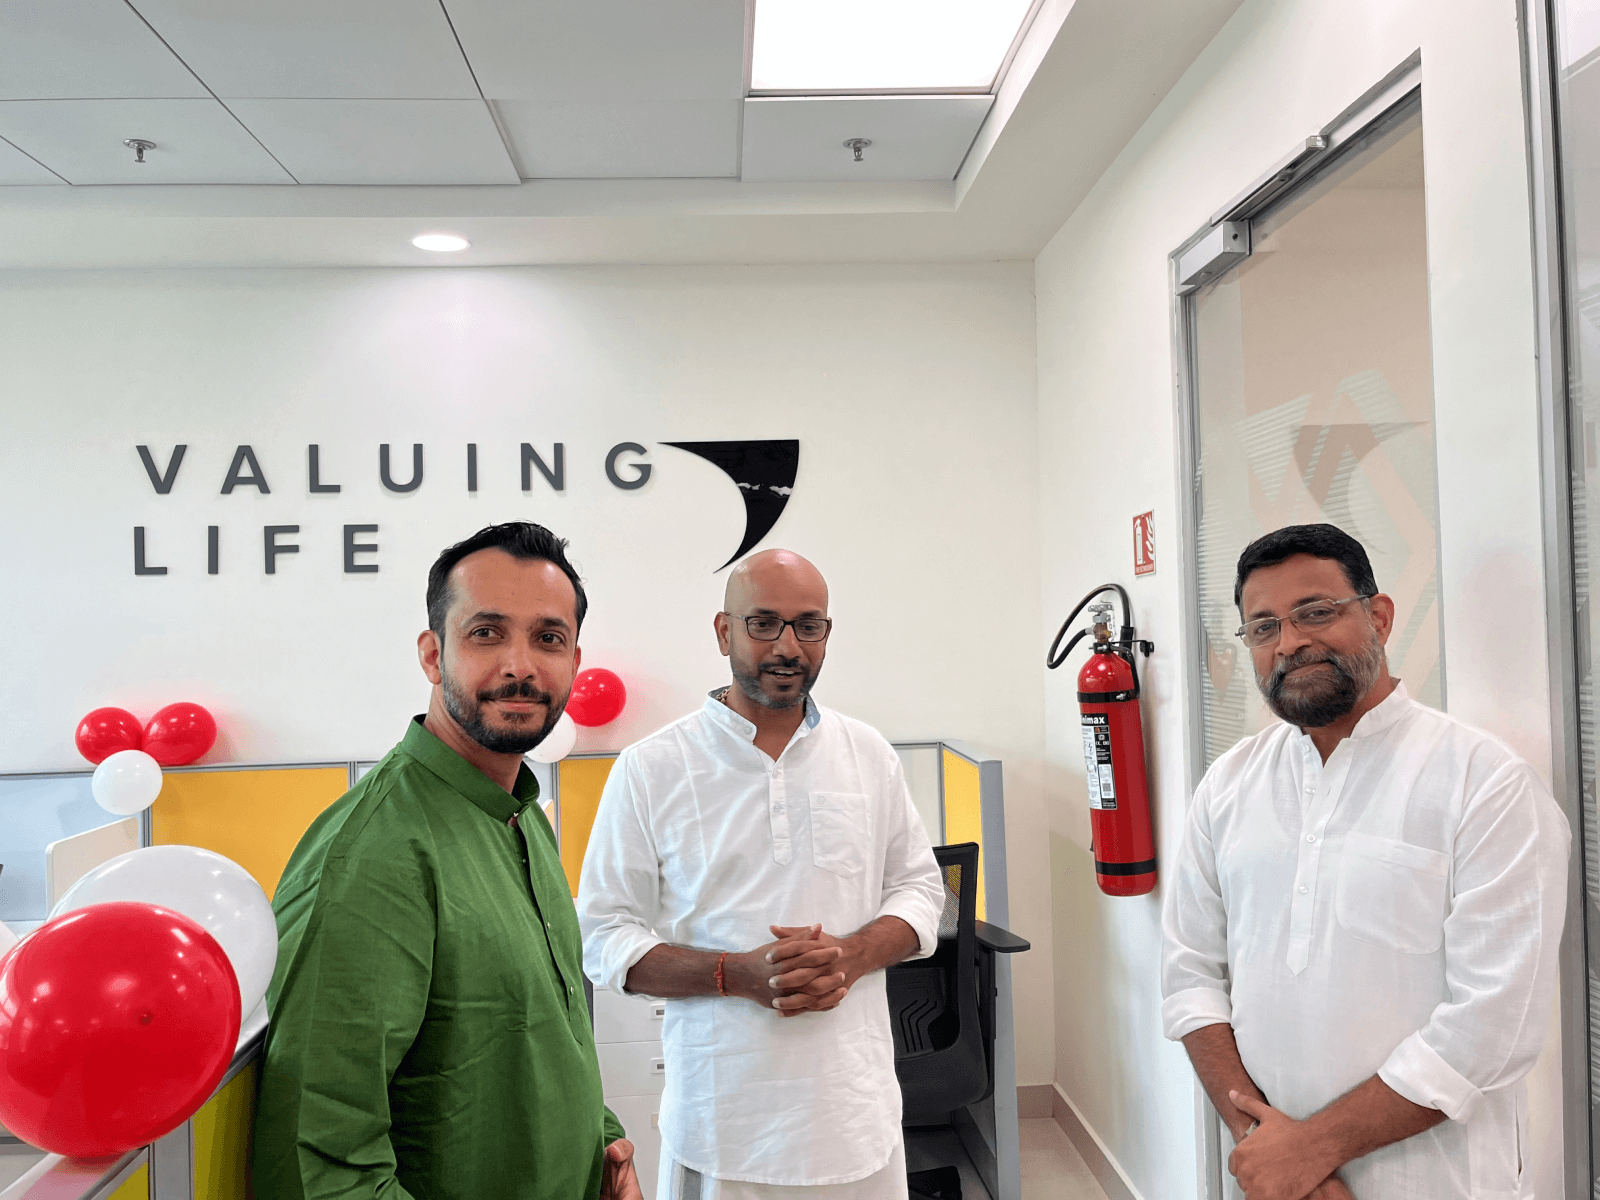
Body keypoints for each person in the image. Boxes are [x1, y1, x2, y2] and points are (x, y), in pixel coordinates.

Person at [1162, 523, 1570, 1199]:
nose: (1290, 642)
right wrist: (1266, 1149)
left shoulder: (1486, 784)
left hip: (1438, 1181)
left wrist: (1314, 1149)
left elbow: (1494, 1025)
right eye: (1263, 627)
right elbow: (1190, 976)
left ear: (1377, 615)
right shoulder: (1229, 786)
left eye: (1316, 612)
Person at [254, 522, 640, 1200]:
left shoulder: (521, 818)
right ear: (433, 655)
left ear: (575, 660)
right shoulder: (375, 851)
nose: (520, 664)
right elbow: (319, 1163)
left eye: (548, 638)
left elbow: (547, 1039)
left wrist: (604, 1149)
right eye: (486, 633)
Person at [577, 549, 944, 1200]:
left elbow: (920, 888)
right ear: (724, 632)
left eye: (809, 626)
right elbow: (604, 936)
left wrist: (852, 955)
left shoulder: (867, 754)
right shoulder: (652, 768)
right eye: (764, 623)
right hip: (723, 1121)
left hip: (853, 1113)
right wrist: (734, 975)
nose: (787, 645)